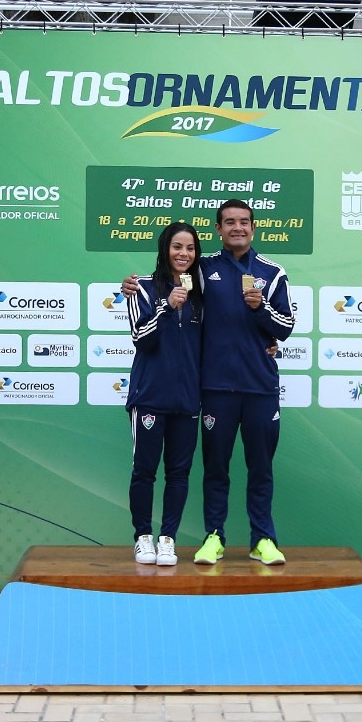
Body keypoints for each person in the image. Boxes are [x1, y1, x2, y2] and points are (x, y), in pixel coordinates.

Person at [126, 199, 294, 566]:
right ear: (218, 230)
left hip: (260, 387)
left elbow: (285, 328)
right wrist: (132, 285)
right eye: (229, 222)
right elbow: (168, 279)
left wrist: (260, 309)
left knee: (261, 467)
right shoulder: (201, 271)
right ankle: (214, 535)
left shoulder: (273, 272)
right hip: (214, 389)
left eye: (244, 222)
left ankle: (263, 538)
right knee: (215, 468)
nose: (237, 228)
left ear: (253, 227)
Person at [125, 223, 205, 567]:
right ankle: (143, 536)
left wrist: (267, 343)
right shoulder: (141, 288)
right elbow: (141, 337)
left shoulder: (202, 293)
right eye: (177, 247)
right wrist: (166, 306)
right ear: (165, 249)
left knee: (180, 472)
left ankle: (168, 538)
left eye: (189, 248)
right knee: (144, 470)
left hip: (187, 399)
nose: (183, 254)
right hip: (150, 396)